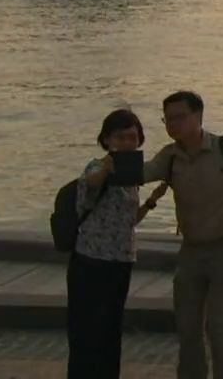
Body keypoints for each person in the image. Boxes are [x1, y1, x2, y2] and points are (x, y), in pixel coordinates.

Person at [142, 91, 223, 379]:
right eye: (168, 119)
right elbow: (143, 173)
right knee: (187, 327)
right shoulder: (170, 157)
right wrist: (109, 162)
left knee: (222, 326)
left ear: (198, 116)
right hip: (190, 252)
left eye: (180, 117)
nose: (173, 124)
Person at [68, 108, 168, 379]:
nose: (127, 142)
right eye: (120, 137)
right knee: (87, 328)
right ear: (107, 139)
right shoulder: (97, 166)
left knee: (111, 327)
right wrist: (106, 168)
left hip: (121, 260)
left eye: (132, 137)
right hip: (92, 260)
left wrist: (152, 200)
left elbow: (128, 221)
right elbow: (91, 184)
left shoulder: (129, 179)